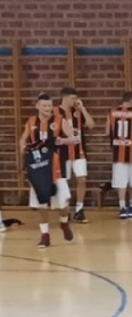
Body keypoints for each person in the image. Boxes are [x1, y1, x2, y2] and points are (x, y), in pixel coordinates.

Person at [20, 93, 80, 248]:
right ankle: (45, 235)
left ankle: (64, 223)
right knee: (41, 203)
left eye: (49, 105)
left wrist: (63, 140)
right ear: (37, 106)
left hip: (56, 167)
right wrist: (23, 149)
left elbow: (74, 139)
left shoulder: (60, 121)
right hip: (39, 169)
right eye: (44, 105)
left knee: (63, 203)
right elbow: (23, 140)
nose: (47, 108)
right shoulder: (31, 122)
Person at [106, 91, 132, 219]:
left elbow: (107, 131)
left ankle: (122, 207)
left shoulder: (111, 112)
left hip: (118, 151)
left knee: (120, 181)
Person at [58, 87, 95, 224]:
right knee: (64, 182)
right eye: (72, 98)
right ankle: (65, 209)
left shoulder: (78, 111)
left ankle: (79, 209)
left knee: (82, 179)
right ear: (65, 98)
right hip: (63, 152)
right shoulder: (56, 112)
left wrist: (83, 109)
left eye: (76, 98)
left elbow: (91, 125)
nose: (75, 101)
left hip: (79, 151)